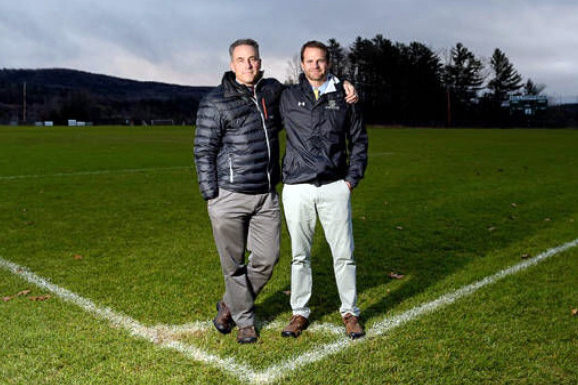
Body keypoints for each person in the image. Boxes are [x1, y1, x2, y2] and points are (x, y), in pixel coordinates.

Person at [194, 39, 358, 344]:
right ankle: (245, 322)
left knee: (267, 260)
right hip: (228, 194)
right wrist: (211, 194)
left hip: (266, 193)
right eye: (241, 60)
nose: (248, 65)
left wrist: (344, 83)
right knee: (233, 264)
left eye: (253, 59)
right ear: (232, 65)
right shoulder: (215, 101)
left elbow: (314, 89)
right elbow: (203, 149)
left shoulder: (272, 91)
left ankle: (230, 304)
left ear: (260, 61)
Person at [279, 40, 369, 340]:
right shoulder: (287, 96)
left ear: (327, 63)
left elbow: (358, 140)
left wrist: (351, 180)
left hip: (334, 186)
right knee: (299, 256)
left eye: (320, 61)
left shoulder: (345, 97)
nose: (314, 66)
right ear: (301, 64)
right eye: (309, 61)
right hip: (297, 188)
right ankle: (299, 312)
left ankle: (350, 312)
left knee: (344, 254)